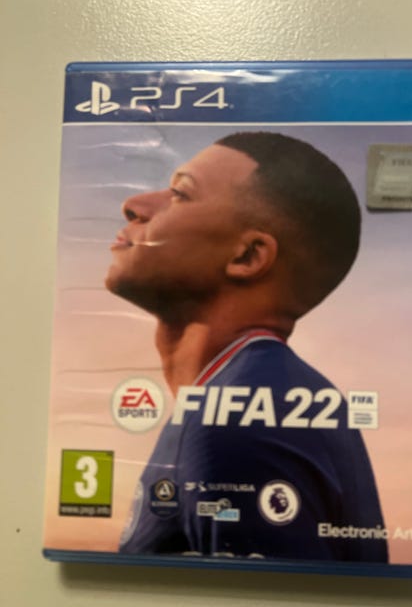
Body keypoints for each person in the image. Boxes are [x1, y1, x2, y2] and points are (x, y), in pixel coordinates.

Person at [106, 131, 388, 562]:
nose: (135, 204)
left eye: (180, 193)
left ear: (247, 257)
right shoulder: (275, 396)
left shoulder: (232, 419)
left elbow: (266, 592)